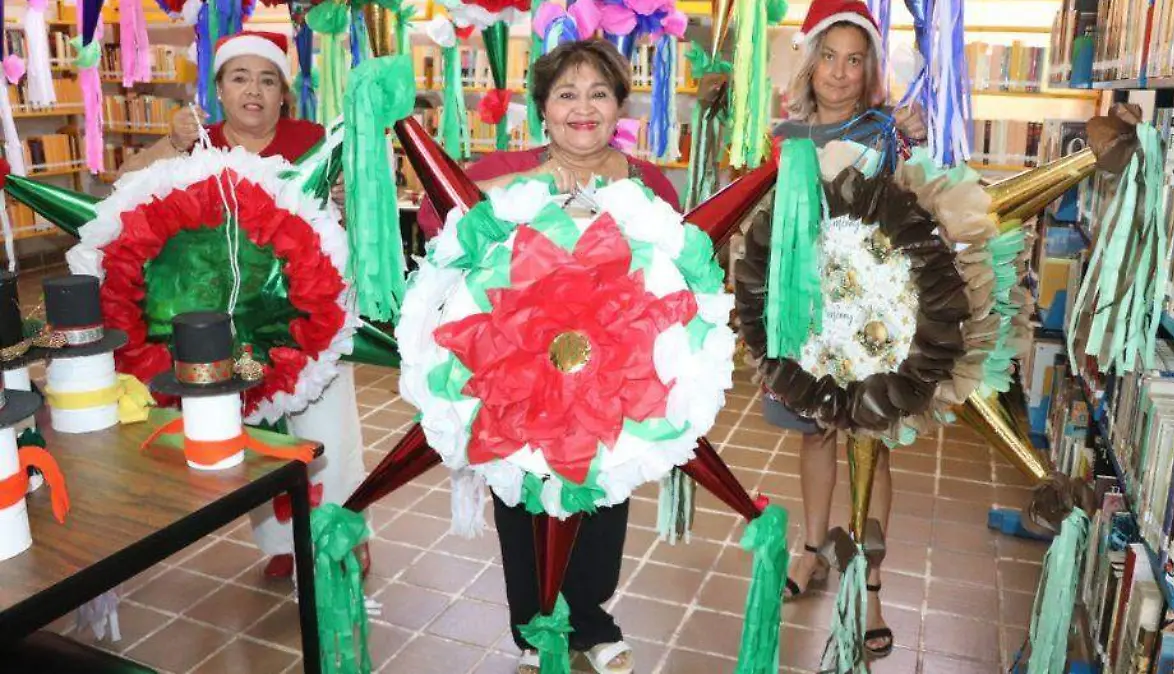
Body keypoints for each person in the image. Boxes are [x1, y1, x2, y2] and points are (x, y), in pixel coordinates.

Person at [416, 38, 679, 674]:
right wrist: (525, 182)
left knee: (602, 493)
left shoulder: (649, 180)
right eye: (566, 94)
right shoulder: (513, 163)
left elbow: (680, 266)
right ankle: (534, 631)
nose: (582, 108)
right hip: (522, 372)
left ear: (619, 105)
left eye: (598, 93)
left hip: (610, 374)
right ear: (544, 109)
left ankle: (591, 618)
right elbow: (432, 214)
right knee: (524, 499)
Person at [116, 30, 364, 579]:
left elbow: (362, 200)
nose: (254, 90)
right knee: (256, 429)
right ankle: (283, 541)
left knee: (328, 427)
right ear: (220, 90)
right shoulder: (198, 142)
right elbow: (123, 184)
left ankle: (344, 534)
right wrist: (170, 145)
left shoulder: (311, 139)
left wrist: (347, 195)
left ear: (283, 93)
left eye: (268, 79)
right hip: (233, 322)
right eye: (240, 77)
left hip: (310, 317)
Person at [743, 0, 927, 661]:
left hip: (874, 318)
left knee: (870, 442)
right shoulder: (784, 135)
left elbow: (920, 201)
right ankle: (815, 547)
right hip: (806, 312)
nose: (841, 73)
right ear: (809, 59)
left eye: (856, 60)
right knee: (815, 431)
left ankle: (868, 578)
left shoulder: (890, 131)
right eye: (830, 56)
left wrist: (916, 134)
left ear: (871, 67)